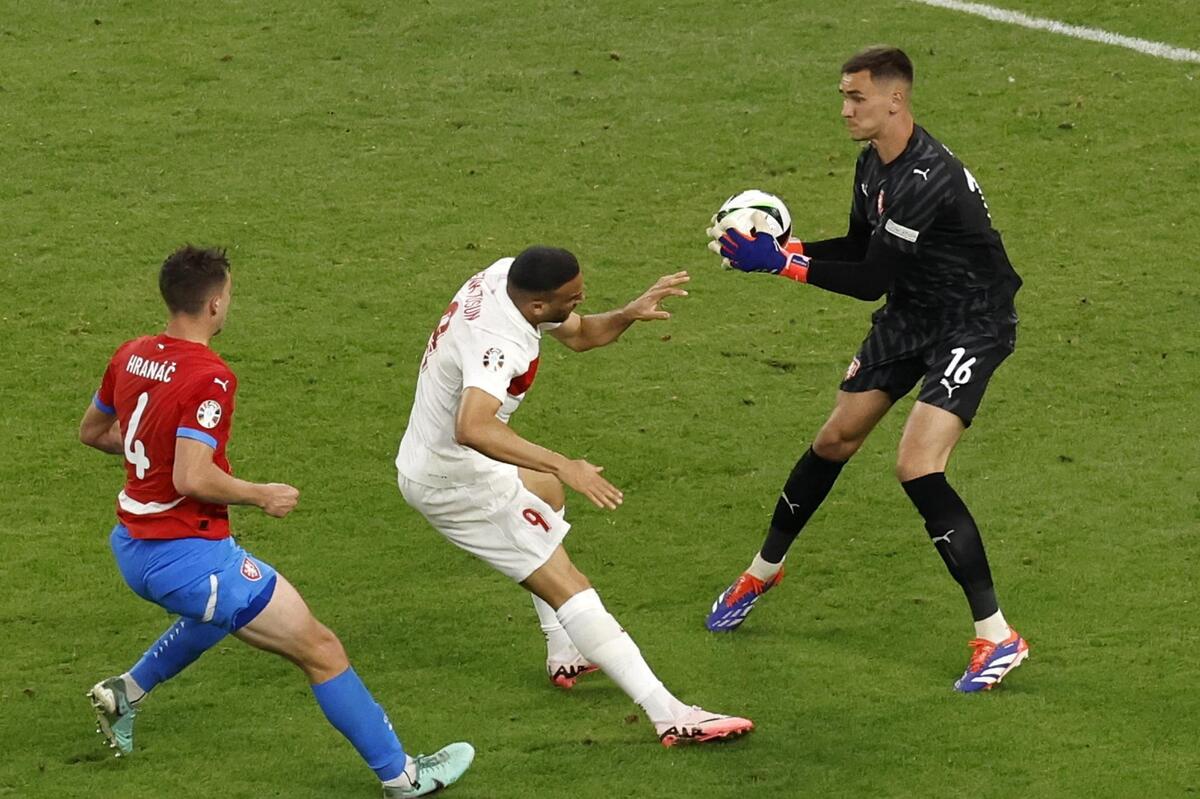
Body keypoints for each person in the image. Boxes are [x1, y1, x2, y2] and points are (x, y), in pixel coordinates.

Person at [78, 245, 473, 797]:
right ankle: (403, 776)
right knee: (322, 649)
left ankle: (127, 691)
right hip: (188, 556)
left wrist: (155, 451)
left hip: (133, 546)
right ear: (214, 304)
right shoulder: (209, 377)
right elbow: (193, 478)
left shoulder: (130, 354)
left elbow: (93, 431)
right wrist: (258, 494)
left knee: (219, 615)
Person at [704, 46, 1029, 692]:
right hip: (912, 313)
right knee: (835, 437)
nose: (847, 109)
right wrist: (783, 247)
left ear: (894, 100)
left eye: (856, 98)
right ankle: (763, 570)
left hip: (971, 319)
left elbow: (868, 280)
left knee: (917, 463)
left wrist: (783, 265)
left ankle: (997, 635)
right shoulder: (872, 163)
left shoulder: (927, 177)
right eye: (845, 97)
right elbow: (861, 248)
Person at [396, 246, 753, 745]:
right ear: (539, 306)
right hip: (458, 481)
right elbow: (472, 427)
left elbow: (583, 335)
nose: (582, 299)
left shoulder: (505, 278)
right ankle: (669, 713)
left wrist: (627, 314)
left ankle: (565, 651)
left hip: (433, 458)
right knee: (570, 583)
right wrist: (568, 462)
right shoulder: (498, 343)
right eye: (573, 296)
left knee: (544, 487)